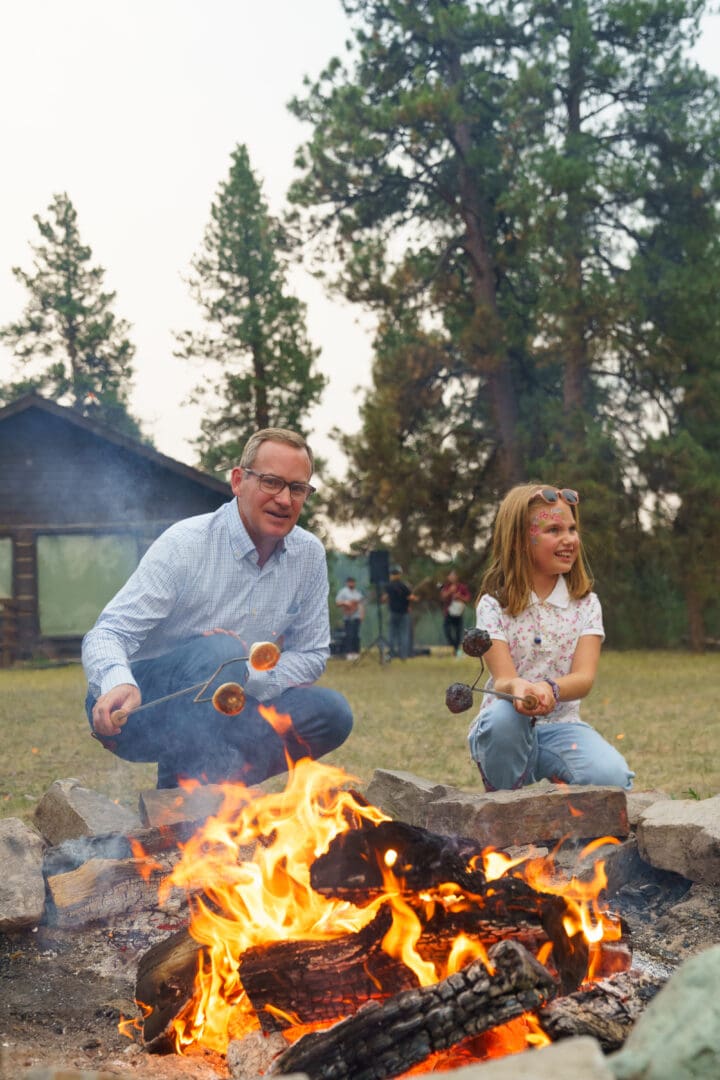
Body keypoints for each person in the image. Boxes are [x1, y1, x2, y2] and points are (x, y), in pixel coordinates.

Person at [82, 428, 353, 789]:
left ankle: (212, 788)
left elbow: (312, 653)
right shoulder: (186, 545)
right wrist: (117, 683)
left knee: (330, 713)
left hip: (233, 703)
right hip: (140, 708)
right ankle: (184, 799)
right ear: (239, 480)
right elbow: (110, 632)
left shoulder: (308, 556)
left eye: (298, 488)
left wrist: (246, 673)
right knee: (219, 651)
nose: (285, 499)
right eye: (272, 482)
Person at [467, 483, 634, 792]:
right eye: (553, 530)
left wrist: (551, 689)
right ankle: (503, 803)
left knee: (611, 778)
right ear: (519, 540)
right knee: (505, 719)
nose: (569, 539)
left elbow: (584, 678)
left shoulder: (586, 604)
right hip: (507, 729)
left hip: (561, 728)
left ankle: (563, 811)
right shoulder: (493, 604)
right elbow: (503, 679)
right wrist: (519, 688)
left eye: (572, 528)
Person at [382, 566, 417, 659]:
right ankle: (403, 655)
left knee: (392, 634)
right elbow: (411, 597)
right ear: (399, 575)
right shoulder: (404, 585)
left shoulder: (388, 586)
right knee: (404, 634)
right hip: (404, 612)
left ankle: (391, 654)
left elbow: (385, 598)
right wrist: (415, 598)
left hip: (393, 612)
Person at [439, 569, 473, 657]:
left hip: (458, 613)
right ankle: (454, 646)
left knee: (458, 632)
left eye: (454, 575)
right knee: (447, 630)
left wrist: (459, 596)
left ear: (457, 577)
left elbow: (468, 598)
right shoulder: (446, 586)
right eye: (451, 575)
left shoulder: (462, 587)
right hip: (448, 613)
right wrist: (450, 591)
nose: (452, 577)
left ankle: (456, 650)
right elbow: (442, 597)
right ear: (448, 577)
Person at [335, 576, 365, 660]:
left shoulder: (357, 593)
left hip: (356, 617)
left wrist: (362, 614)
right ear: (347, 583)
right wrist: (346, 603)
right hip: (348, 617)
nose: (351, 584)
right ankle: (349, 652)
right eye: (350, 582)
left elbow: (360, 604)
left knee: (356, 635)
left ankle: (356, 652)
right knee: (349, 635)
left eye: (353, 582)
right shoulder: (343, 592)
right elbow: (337, 602)